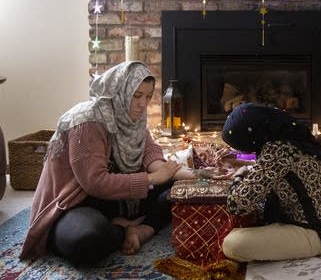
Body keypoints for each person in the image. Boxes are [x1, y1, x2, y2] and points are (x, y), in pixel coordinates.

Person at [19, 61, 197, 265]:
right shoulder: (86, 122)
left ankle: (142, 230)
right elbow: (94, 182)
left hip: (113, 200)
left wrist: (195, 175)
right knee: (85, 241)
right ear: (120, 91)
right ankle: (121, 229)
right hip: (75, 203)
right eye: (137, 95)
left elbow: (152, 156)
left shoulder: (133, 117)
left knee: (181, 191)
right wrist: (151, 178)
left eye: (148, 97)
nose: (143, 104)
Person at [220, 102, 321, 262]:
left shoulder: (277, 151)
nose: (243, 150)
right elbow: (275, 169)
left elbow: (238, 205)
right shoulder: (290, 138)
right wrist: (243, 167)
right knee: (250, 226)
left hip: (316, 233)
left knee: (231, 243)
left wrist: (237, 177)